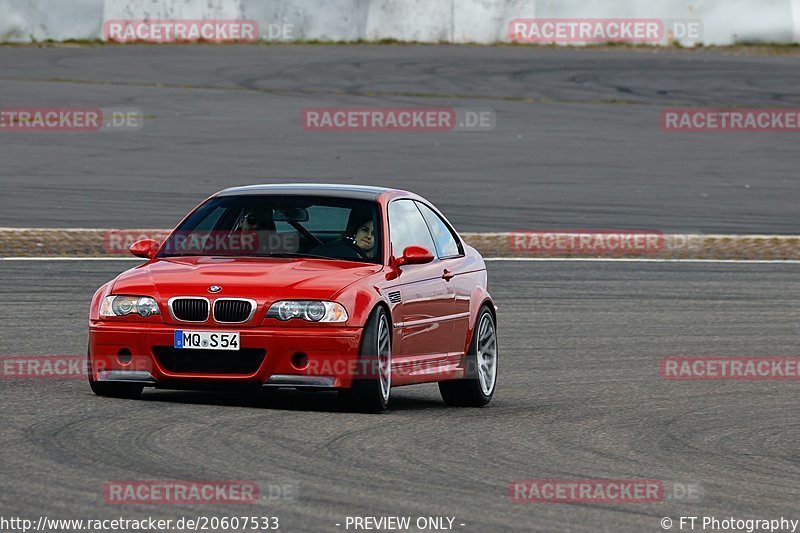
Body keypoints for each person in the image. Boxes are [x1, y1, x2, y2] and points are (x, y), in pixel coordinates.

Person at [311, 209, 377, 260]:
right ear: (355, 233)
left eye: (374, 234)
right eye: (365, 230)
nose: (368, 236)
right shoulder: (341, 251)